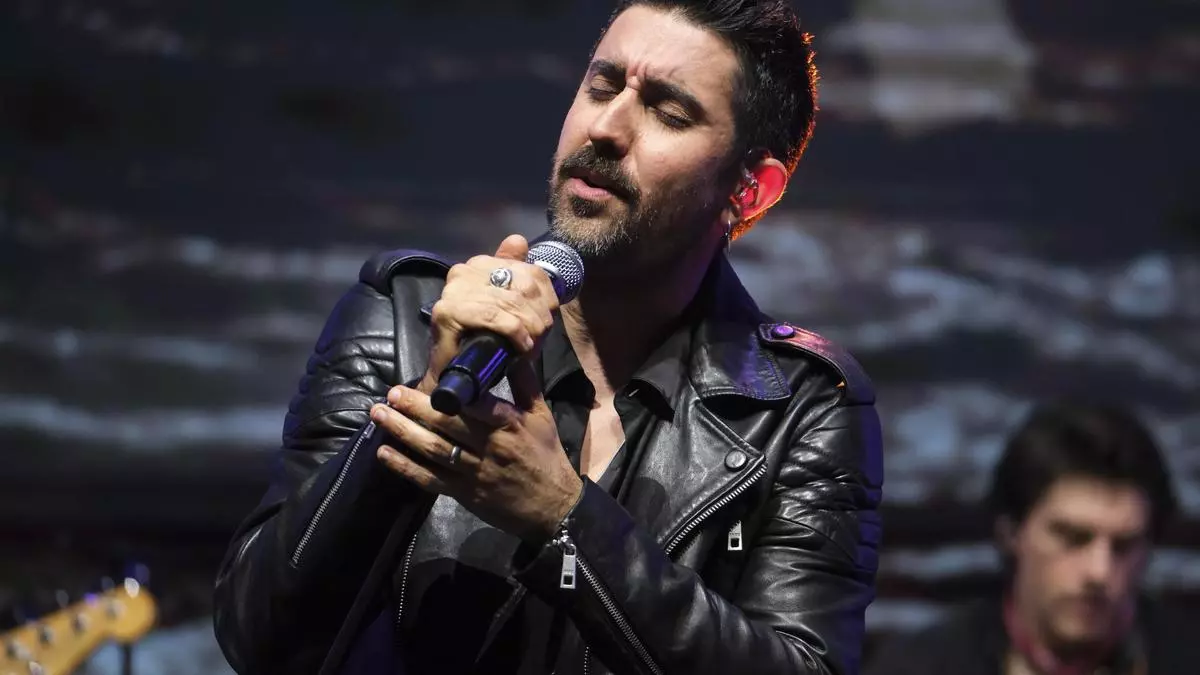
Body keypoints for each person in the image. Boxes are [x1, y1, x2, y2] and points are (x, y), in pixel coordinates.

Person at [212, 1, 884, 674]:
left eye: (668, 112)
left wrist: (565, 517)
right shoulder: (403, 318)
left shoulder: (801, 408)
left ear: (750, 188)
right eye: (602, 85)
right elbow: (260, 638)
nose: (606, 127)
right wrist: (424, 409)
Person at [865, 401, 1197, 675]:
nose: (1100, 571)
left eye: (1124, 546)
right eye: (1072, 537)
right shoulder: (922, 666)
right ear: (1011, 532)